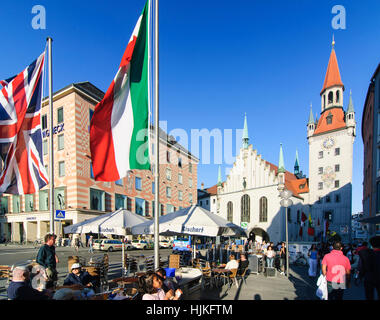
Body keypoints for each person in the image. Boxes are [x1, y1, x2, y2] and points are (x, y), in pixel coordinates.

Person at [358, 236, 380, 300]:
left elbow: (361, 266)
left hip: (369, 277)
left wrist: (360, 276)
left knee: (369, 296)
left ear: (371, 244)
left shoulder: (366, 253)